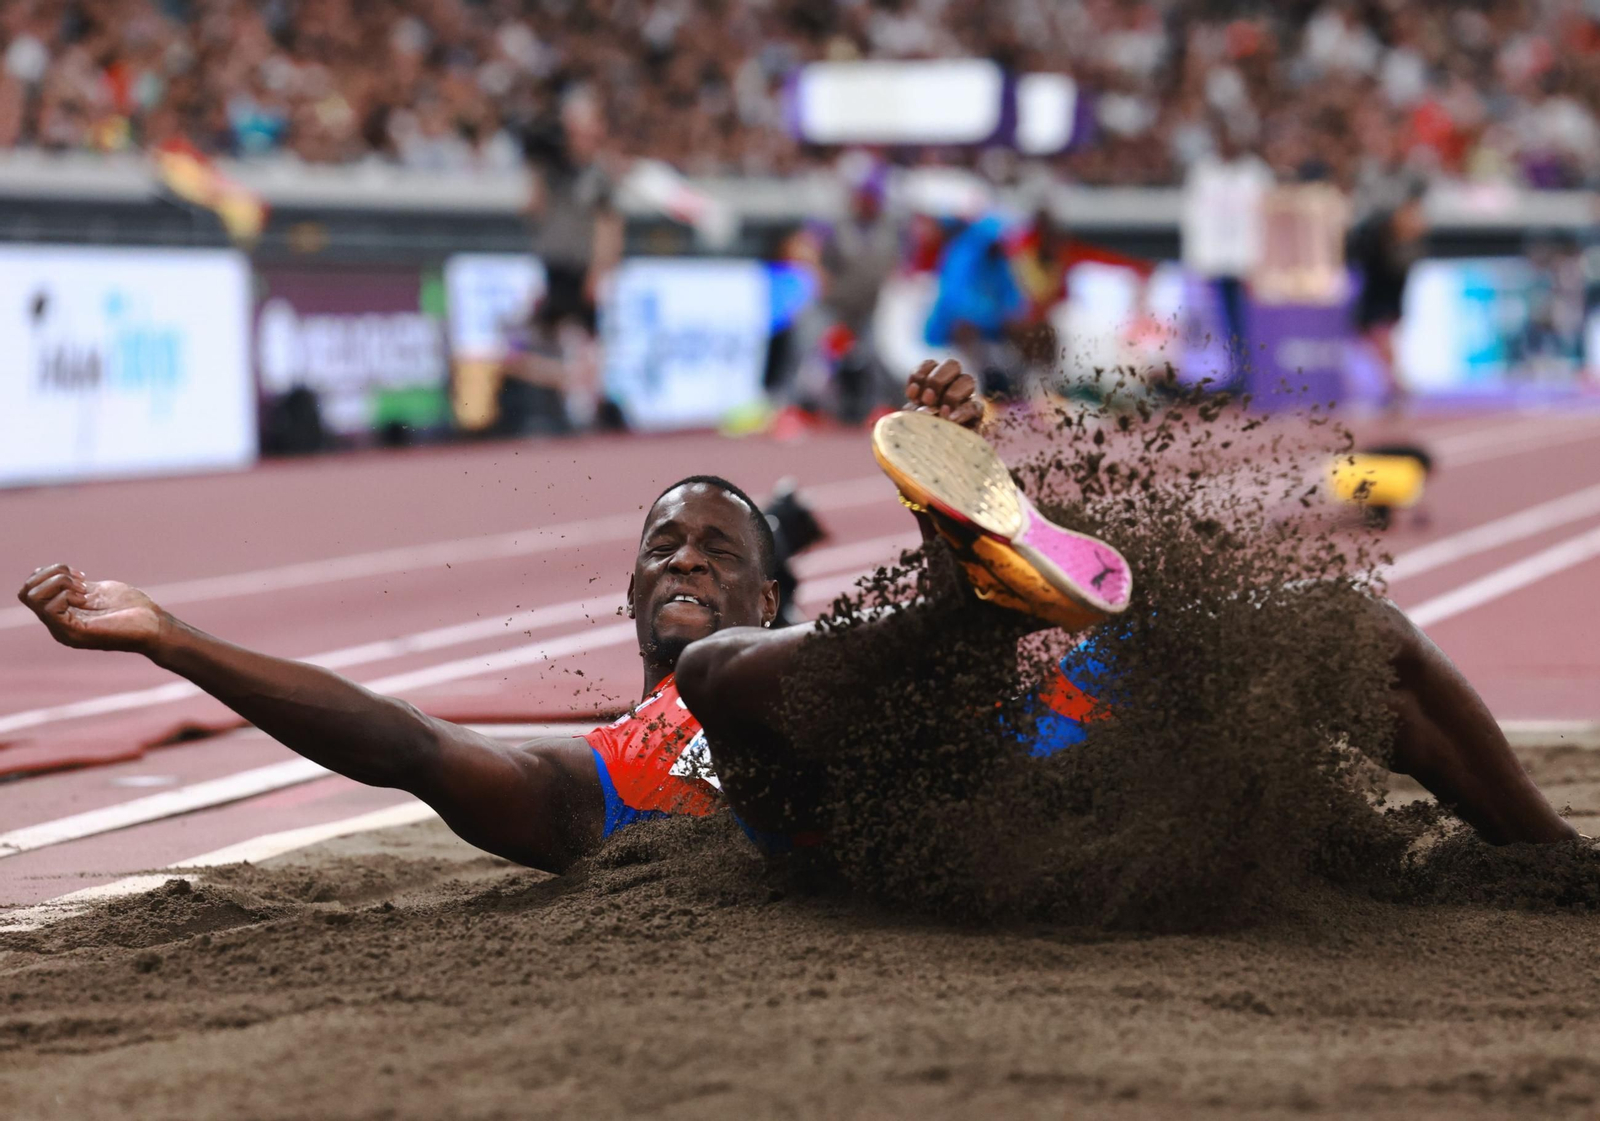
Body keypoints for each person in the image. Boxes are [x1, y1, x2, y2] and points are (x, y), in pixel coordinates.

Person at [16, 362, 1579, 875]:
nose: (684, 553)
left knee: (1329, 623)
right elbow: (409, 741)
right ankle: (971, 570)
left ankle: (1546, 869)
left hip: (1037, 763)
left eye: (720, 540)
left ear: (781, 583)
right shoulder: (610, 768)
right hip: (892, 831)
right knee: (722, 687)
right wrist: (175, 638)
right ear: (630, 591)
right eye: (661, 544)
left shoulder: (788, 640)